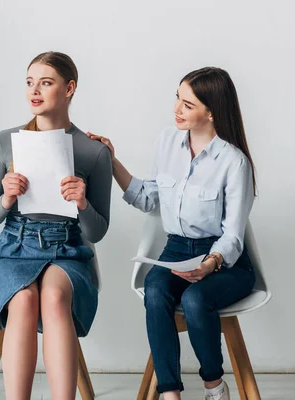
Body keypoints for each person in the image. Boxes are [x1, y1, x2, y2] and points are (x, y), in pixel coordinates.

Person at [88, 67, 256, 400]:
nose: (177, 109)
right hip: (176, 251)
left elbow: (234, 235)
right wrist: (112, 161)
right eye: (177, 98)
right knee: (155, 290)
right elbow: (149, 198)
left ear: (211, 111)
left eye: (188, 104)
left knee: (195, 299)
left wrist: (210, 263)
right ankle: (169, 393)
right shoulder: (167, 141)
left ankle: (213, 386)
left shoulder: (234, 162)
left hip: (225, 262)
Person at [0, 51, 112, 399]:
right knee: (22, 299)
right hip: (14, 246)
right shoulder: (6, 141)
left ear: (69, 88)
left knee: (53, 297)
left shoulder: (94, 152)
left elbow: (97, 231)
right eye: (29, 82)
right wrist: (6, 198)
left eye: (46, 82)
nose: (35, 90)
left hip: (67, 249)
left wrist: (82, 202)